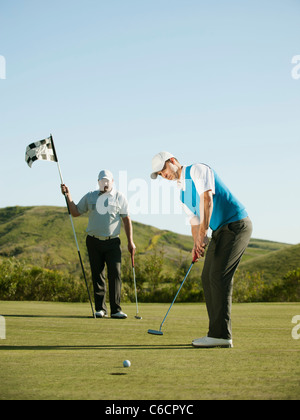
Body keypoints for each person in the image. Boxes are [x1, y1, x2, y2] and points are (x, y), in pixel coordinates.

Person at [151, 152, 253, 348]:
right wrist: (196, 243)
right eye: (160, 175)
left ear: (173, 161)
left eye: (163, 170)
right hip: (221, 231)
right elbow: (194, 222)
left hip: (237, 225)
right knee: (207, 277)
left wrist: (203, 233)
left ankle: (221, 335)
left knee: (218, 275)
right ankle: (216, 333)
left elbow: (207, 200)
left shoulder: (197, 170)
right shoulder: (181, 194)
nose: (164, 175)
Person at [61, 169, 136, 319]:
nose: (105, 183)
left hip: (113, 241)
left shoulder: (119, 197)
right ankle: (100, 309)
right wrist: (68, 195)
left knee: (115, 274)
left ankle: (116, 310)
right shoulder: (90, 196)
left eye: (107, 181)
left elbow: (126, 220)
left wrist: (130, 242)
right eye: (102, 181)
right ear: (98, 182)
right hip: (93, 241)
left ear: (112, 182)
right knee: (97, 274)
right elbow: (75, 212)